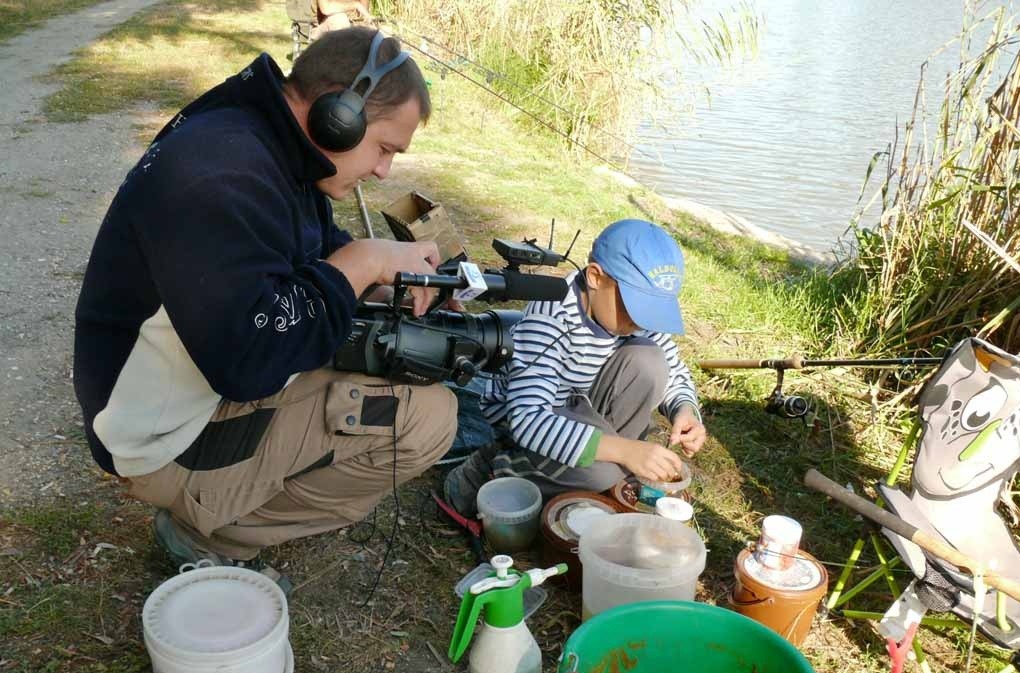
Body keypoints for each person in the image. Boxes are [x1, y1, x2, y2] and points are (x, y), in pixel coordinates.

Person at [73, 28, 456, 586]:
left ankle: (219, 507)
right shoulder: (219, 177)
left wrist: (376, 274)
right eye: (384, 149)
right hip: (162, 437)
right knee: (426, 418)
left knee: (392, 367)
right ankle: (209, 531)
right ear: (338, 116)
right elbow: (250, 363)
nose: (383, 172)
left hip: (189, 386)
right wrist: (362, 263)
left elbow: (304, 248)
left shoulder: (266, 143)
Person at [444, 219, 707, 515]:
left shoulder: (632, 317)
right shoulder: (551, 315)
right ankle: (502, 466)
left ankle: (602, 472)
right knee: (605, 472)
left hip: (582, 406)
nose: (642, 322)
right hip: (532, 420)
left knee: (650, 360)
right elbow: (528, 419)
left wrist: (685, 410)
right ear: (595, 277)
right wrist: (625, 451)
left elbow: (673, 369)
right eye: (636, 308)